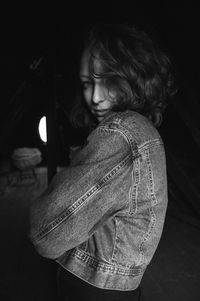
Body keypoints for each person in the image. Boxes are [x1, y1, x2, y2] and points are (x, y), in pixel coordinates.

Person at [29, 23, 176, 300]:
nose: (95, 98)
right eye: (87, 83)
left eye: (107, 79)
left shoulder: (122, 133)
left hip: (92, 289)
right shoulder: (144, 133)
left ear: (135, 75)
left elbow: (44, 235)